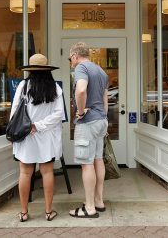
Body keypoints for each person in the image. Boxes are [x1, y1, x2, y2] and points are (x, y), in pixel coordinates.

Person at [10, 54, 65, 222]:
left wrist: (22, 129)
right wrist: (39, 126)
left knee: (25, 173)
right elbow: (58, 114)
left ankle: (24, 213)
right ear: (47, 70)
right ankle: (48, 212)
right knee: (47, 172)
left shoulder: (23, 86)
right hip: (46, 136)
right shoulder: (55, 88)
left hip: (26, 135)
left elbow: (14, 112)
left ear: (30, 71)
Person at [68, 42, 109, 218]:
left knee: (87, 164)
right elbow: (105, 99)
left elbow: (81, 90)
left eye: (70, 58)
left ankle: (89, 207)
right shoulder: (101, 71)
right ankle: (99, 201)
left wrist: (79, 111)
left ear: (76, 55)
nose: (71, 61)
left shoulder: (81, 68)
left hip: (88, 122)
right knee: (98, 160)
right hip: (101, 120)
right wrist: (103, 118)